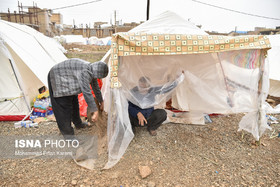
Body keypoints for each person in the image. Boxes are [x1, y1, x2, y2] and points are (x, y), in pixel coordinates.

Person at [47, 58, 108, 139]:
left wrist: (101, 101)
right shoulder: (85, 72)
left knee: (74, 102)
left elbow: (95, 87)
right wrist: (95, 111)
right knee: (63, 108)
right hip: (57, 76)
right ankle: (68, 135)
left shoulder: (92, 69)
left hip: (68, 80)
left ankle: (78, 123)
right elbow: (86, 92)